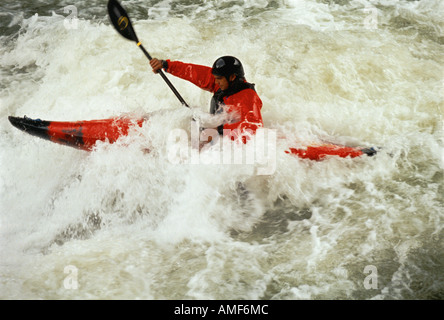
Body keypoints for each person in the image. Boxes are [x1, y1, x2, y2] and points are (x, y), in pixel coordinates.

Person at [149, 56, 263, 144]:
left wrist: (216, 131)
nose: (216, 82)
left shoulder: (248, 97)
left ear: (232, 77)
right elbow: (194, 73)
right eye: (215, 78)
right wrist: (166, 65)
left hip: (230, 147)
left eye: (219, 79)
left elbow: (252, 130)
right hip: (215, 136)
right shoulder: (225, 84)